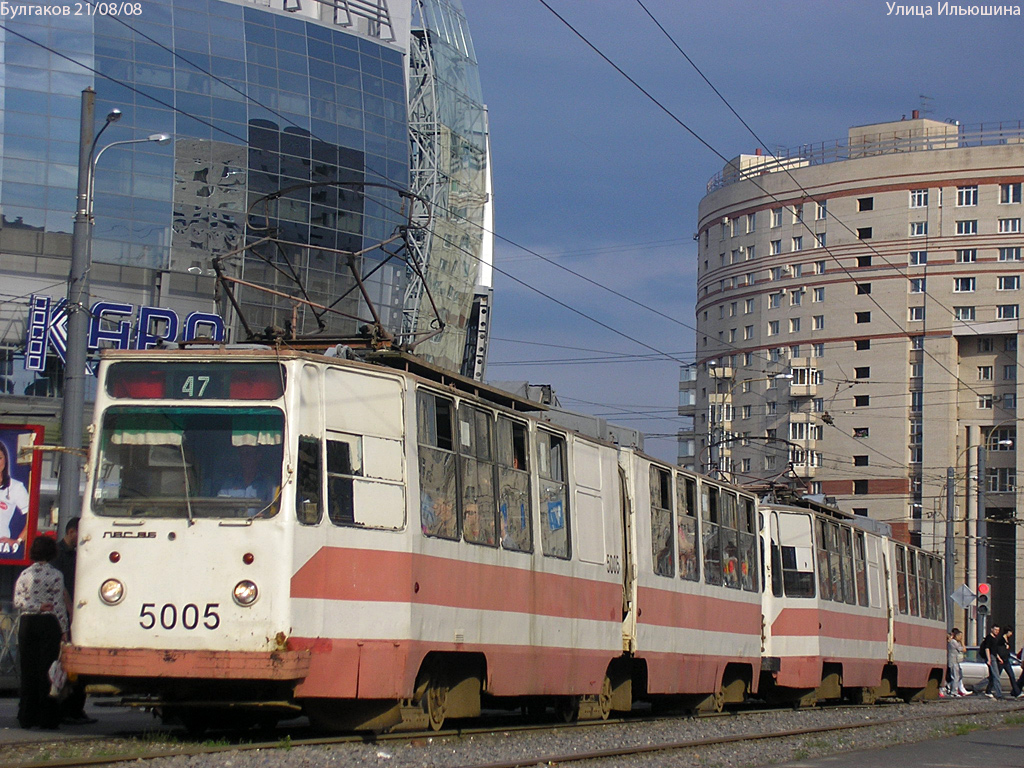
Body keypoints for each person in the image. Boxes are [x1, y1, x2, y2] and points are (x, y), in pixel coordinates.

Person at [13, 536, 68, 729]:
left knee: (28, 669)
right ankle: (47, 717)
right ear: (53, 552)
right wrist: (64, 630)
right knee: (47, 670)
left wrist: (34, 606)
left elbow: (18, 602)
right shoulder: (56, 575)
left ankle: (27, 715)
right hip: (49, 624)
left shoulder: (25, 575)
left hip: (27, 623)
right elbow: (58, 606)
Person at [52, 518, 97, 725]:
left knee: (79, 666)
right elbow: (61, 588)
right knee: (64, 664)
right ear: (71, 532)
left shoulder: (82, 554)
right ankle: (63, 708)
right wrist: (70, 609)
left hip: (79, 614)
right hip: (64, 616)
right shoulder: (58, 555)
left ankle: (76, 708)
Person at [0, 440, 30, 557]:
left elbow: (32, 516)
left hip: (2, 551)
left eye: (0, 458)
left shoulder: (15, 487)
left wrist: (18, 541)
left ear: (5, 460)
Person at [995, 626, 1024, 698]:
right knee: (994, 677)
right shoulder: (1001, 639)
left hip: (1006, 660)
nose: (1011, 634)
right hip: (1001, 661)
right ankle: (980, 688)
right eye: (1010, 632)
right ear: (1007, 632)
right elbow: (996, 649)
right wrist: (999, 658)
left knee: (1012, 676)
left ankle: (1017, 692)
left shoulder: (1007, 639)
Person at [981, 624, 1004, 699]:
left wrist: (999, 658)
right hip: (991, 657)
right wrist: (989, 659)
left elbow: (994, 650)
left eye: (998, 630)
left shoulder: (995, 638)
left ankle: (976, 687)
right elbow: (987, 648)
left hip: (994, 656)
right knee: (996, 676)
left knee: (992, 676)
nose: (997, 631)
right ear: (991, 629)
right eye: (995, 630)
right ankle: (999, 693)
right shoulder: (989, 638)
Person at [946, 628, 966, 697]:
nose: (961, 638)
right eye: (960, 636)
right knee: (955, 677)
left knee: (958, 676)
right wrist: (962, 642)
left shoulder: (954, 642)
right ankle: (953, 691)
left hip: (956, 661)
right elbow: (963, 649)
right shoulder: (953, 642)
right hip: (953, 661)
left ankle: (950, 688)